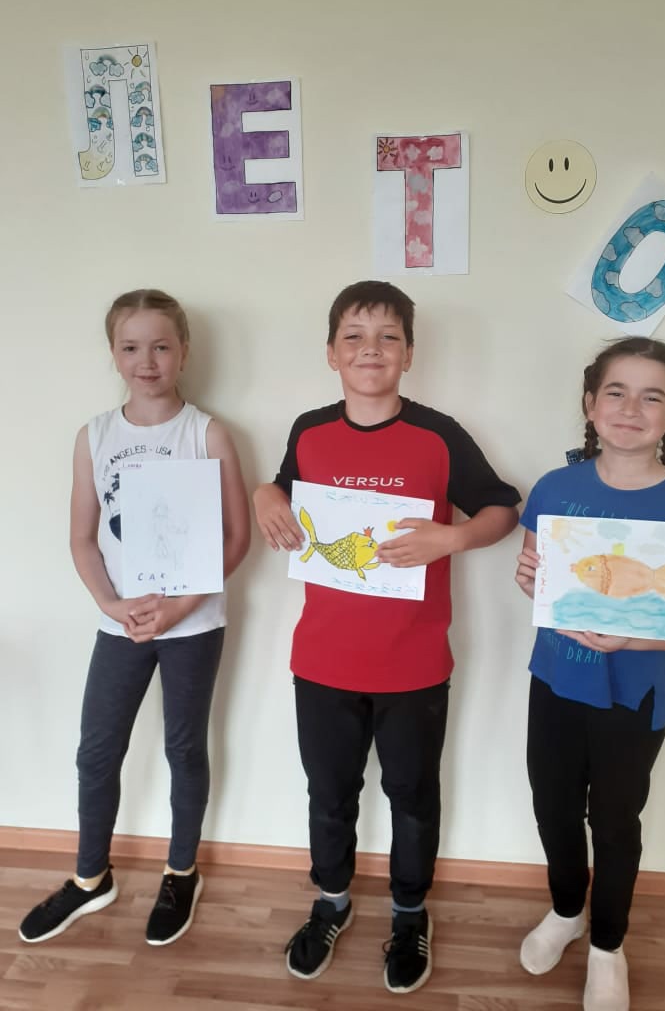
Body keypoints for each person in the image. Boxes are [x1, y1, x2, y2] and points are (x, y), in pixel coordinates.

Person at [253, 280, 520, 994]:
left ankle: (408, 913)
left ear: (408, 353)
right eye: (354, 336)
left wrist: (453, 537)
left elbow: (503, 507)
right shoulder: (310, 430)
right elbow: (283, 487)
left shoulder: (439, 434)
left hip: (415, 664)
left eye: (387, 337)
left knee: (412, 794)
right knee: (329, 792)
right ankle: (331, 901)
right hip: (322, 661)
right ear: (331, 353)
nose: (370, 349)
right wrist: (263, 493)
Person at [19, 289, 251, 947]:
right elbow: (82, 540)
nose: (146, 361)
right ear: (113, 354)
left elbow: (236, 537)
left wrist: (178, 607)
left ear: (184, 352)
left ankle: (181, 872)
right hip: (121, 623)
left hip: (192, 626)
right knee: (97, 750)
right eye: (130, 347)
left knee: (184, 748)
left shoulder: (206, 433)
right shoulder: (94, 436)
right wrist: (110, 604)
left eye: (160, 347)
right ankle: (91, 878)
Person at [514, 337, 665, 1011]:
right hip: (555, 682)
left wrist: (635, 637)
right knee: (553, 806)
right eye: (616, 392)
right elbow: (539, 576)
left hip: (634, 698)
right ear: (590, 404)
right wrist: (530, 581)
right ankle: (566, 911)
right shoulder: (555, 488)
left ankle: (608, 945)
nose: (631, 409)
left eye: (652, 397)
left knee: (614, 821)